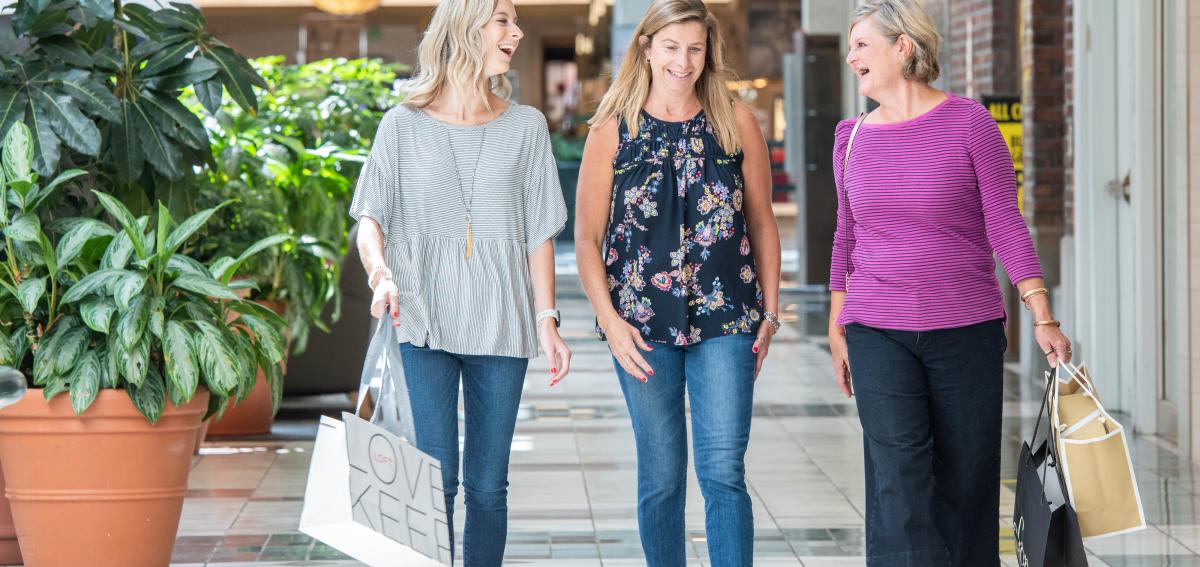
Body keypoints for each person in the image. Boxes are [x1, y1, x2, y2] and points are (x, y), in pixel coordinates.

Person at [827, 1, 1073, 565]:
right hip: (876, 328)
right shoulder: (851, 137)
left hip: (965, 327)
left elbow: (1005, 222)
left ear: (903, 47)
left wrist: (1042, 313)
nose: (850, 57)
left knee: (967, 479)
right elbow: (846, 234)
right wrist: (838, 323)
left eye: (862, 44)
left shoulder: (969, 123)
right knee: (898, 478)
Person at [350, 0, 571, 563]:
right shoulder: (402, 124)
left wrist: (548, 320)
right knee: (435, 480)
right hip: (422, 315)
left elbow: (540, 231)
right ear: (465, 26)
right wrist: (380, 274)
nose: (516, 31)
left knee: (488, 488)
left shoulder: (526, 127)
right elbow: (369, 218)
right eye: (503, 19)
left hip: (502, 319)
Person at [574, 0, 781, 564]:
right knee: (662, 478)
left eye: (695, 47)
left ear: (708, 51)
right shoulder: (612, 130)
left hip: (728, 321)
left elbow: (761, 222)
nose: (683, 61)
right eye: (671, 47)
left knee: (723, 474)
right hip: (639, 328)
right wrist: (610, 324)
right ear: (646, 47)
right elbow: (587, 240)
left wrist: (771, 313)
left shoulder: (735, 121)